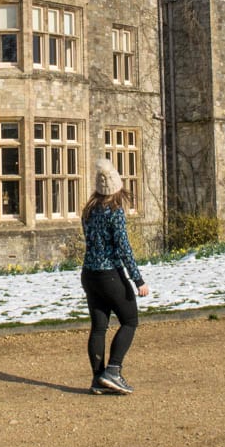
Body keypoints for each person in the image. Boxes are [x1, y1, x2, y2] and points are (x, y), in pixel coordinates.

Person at [81, 157, 149, 395]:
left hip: (89, 274)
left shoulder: (88, 211)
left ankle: (97, 379)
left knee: (99, 327)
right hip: (109, 274)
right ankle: (113, 371)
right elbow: (123, 248)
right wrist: (138, 279)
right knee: (130, 320)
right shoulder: (115, 212)